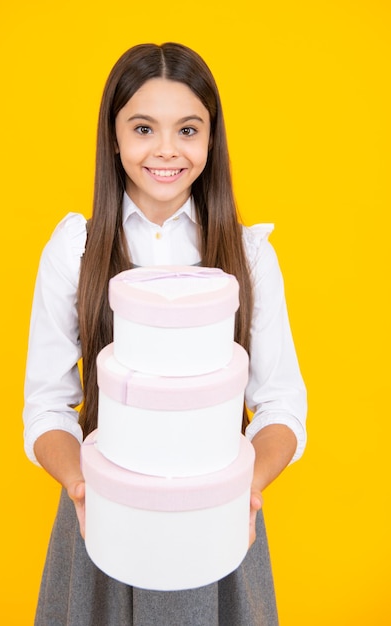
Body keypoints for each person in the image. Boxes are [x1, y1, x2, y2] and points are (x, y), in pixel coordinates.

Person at [23, 42, 307, 626]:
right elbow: (47, 407)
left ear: (211, 138)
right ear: (114, 137)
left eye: (188, 128)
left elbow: (282, 404)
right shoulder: (74, 252)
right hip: (101, 521)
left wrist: (245, 490)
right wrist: (82, 486)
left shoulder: (248, 256)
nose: (167, 150)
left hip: (216, 525)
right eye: (144, 127)